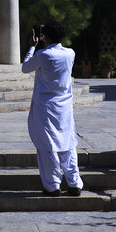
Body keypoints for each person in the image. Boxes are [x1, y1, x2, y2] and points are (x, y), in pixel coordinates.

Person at [22, 19, 83, 197]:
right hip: (64, 105)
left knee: (47, 145)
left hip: (46, 106)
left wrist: (32, 47)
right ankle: (74, 183)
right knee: (68, 144)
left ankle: (52, 185)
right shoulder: (70, 53)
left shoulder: (43, 54)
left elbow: (26, 68)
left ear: (44, 36)